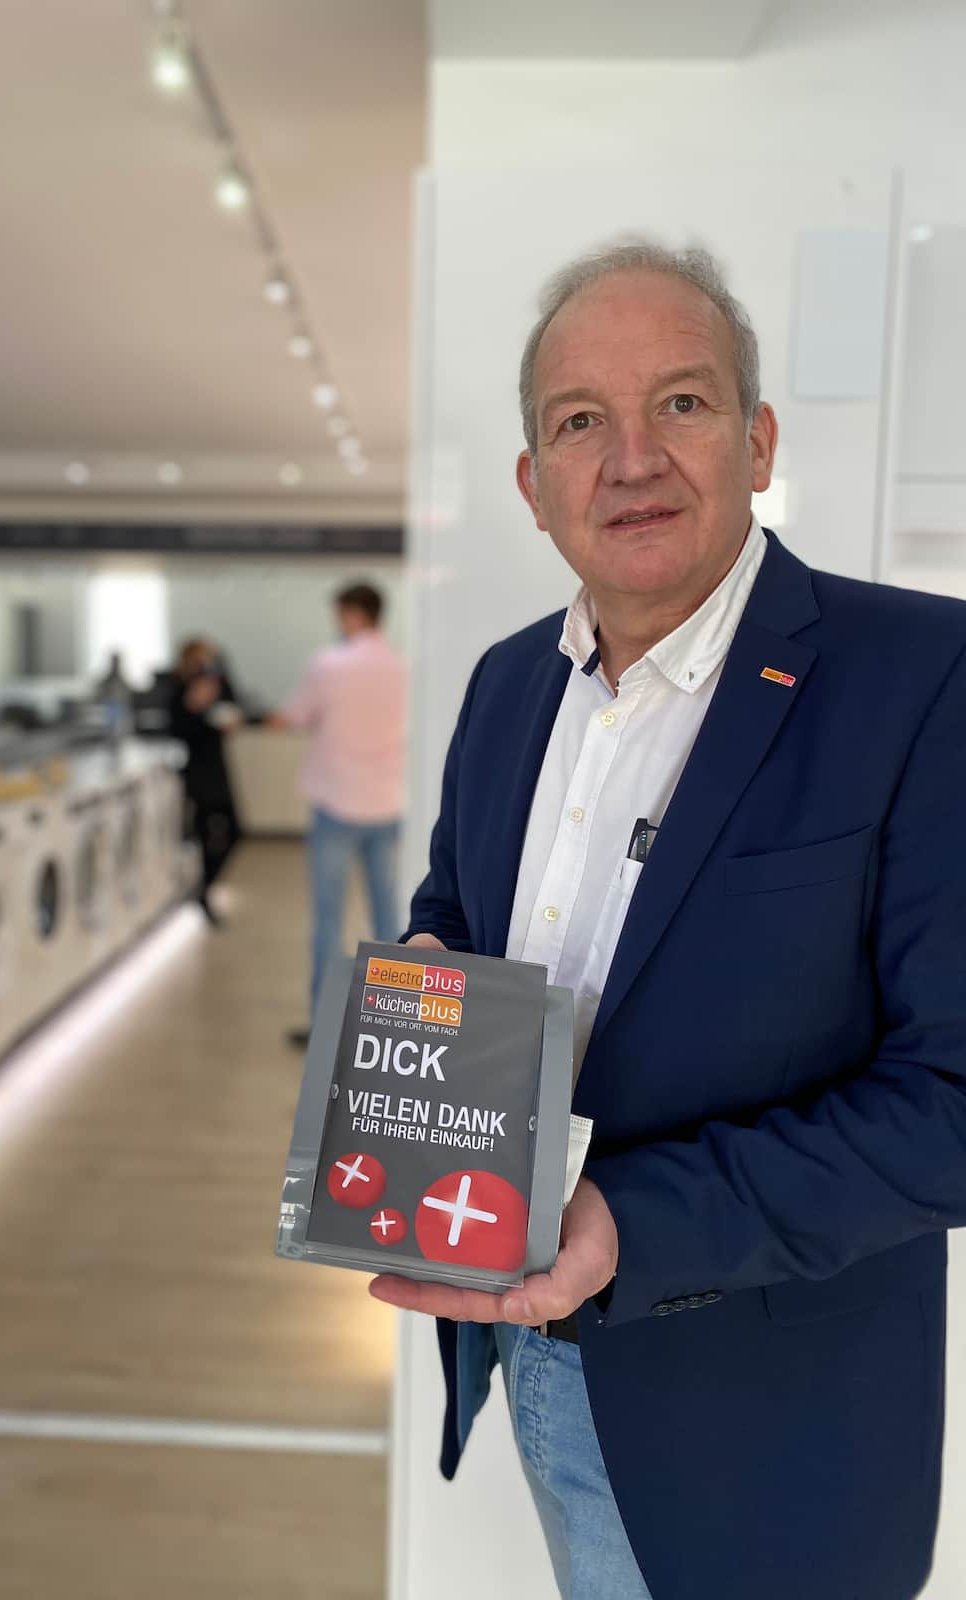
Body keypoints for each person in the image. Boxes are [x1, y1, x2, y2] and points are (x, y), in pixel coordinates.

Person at [369, 241, 966, 1600]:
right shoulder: (507, 685)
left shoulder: (927, 677)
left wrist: (625, 1223)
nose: (631, 459)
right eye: (581, 420)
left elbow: (954, 1104)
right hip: (532, 1358)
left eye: (681, 403)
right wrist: (429, 977)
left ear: (757, 441)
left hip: (768, 1436)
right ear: (533, 484)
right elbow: (457, 905)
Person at [275, 582, 407, 1046]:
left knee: (329, 920)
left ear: (352, 613)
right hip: (387, 802)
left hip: (337, 803)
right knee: (388, 917)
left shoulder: (329, 664)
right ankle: (392, 1023)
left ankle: (323, 1024)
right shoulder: (401, 665)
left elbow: (296, 715)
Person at [167, 637, 244, 925]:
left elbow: (235, 706)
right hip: (195, 770)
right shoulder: (179, 689)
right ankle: (201, 893)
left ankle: (204, 885)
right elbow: (175, 729)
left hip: (218, 767)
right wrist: (193, 706)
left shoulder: (219, 683)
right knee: (200, 834)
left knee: (234, 830)